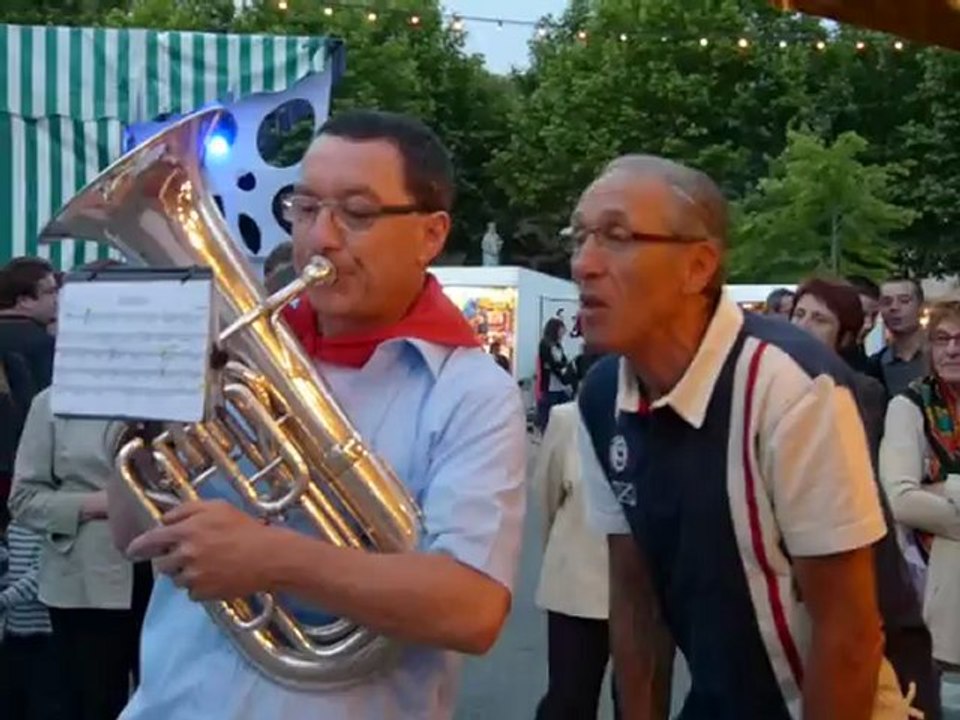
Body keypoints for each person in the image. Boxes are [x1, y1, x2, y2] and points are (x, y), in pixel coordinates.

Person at [103, 110, 527, 720]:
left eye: (357, 213)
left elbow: (472, 609)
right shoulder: (235, 354)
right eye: (304, 209)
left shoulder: (470, 391)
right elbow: (131, 534)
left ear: (431, 235)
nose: (321, 237)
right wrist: (149, 406)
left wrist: (271, 558)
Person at [572, 153, 937, 719]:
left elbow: (850, 635)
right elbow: (635, 599)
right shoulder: (602, 396)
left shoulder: (790, 386)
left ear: (698, 266)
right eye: (579, 237)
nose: (584, 263)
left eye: (616, 236)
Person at [9, 386, 153, 720]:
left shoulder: (172, 399)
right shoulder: (50, 402)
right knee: (94, 703)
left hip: (169, 572)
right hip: (84, 584)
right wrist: (98, 505)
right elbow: (23, 500)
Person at [534, 353, 618, 720]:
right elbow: (547, 495)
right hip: (577, 586)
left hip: (644, 595)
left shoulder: (660, 420)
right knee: (570, 698)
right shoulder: (568, 420)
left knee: (636, 701)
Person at [881, 295, 960, 674]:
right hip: (939, 592)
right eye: (942, 339)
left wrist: (943, 486)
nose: (952, 350)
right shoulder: (910, 405)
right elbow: (900, 499)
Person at [0, 257, 58, 531]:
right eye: (49, 292)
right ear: (23, 300)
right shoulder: (41, 343)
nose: (57, 299)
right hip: (18, 464)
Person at [872, 277, 928, 398]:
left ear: (921, 307)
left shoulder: (943, 356)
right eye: (887, 302)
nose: (894, 307)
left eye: (904, 301)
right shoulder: (874, 366)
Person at [536, 317, 574, 432]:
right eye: (561, 330)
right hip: (550, 388)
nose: (563, 334)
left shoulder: (558, 346)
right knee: (548, 420)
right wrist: (564, 376)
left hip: (560, 388)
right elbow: (553, 365)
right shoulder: (545, 345)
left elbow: (563, 362)